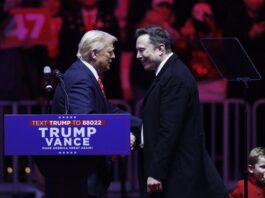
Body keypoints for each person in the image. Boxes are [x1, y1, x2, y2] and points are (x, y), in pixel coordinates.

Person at [36, 30, 141, 198]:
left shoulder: (84, 75)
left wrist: (142, 125)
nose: (114, 56)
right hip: (80, 179)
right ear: (94, 53)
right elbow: (88, 123)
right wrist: (122, 137)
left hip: (84, 177)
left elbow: (108, 110)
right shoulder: (80, 78)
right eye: (110, 51)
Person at [134, 26, 227, 198]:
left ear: (161, 48)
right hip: (173, 172)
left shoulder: (175, 77)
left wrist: (156, 172)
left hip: (176, 174)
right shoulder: (168, 73)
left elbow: (169, 129)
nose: (138, 56)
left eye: (142, 50)